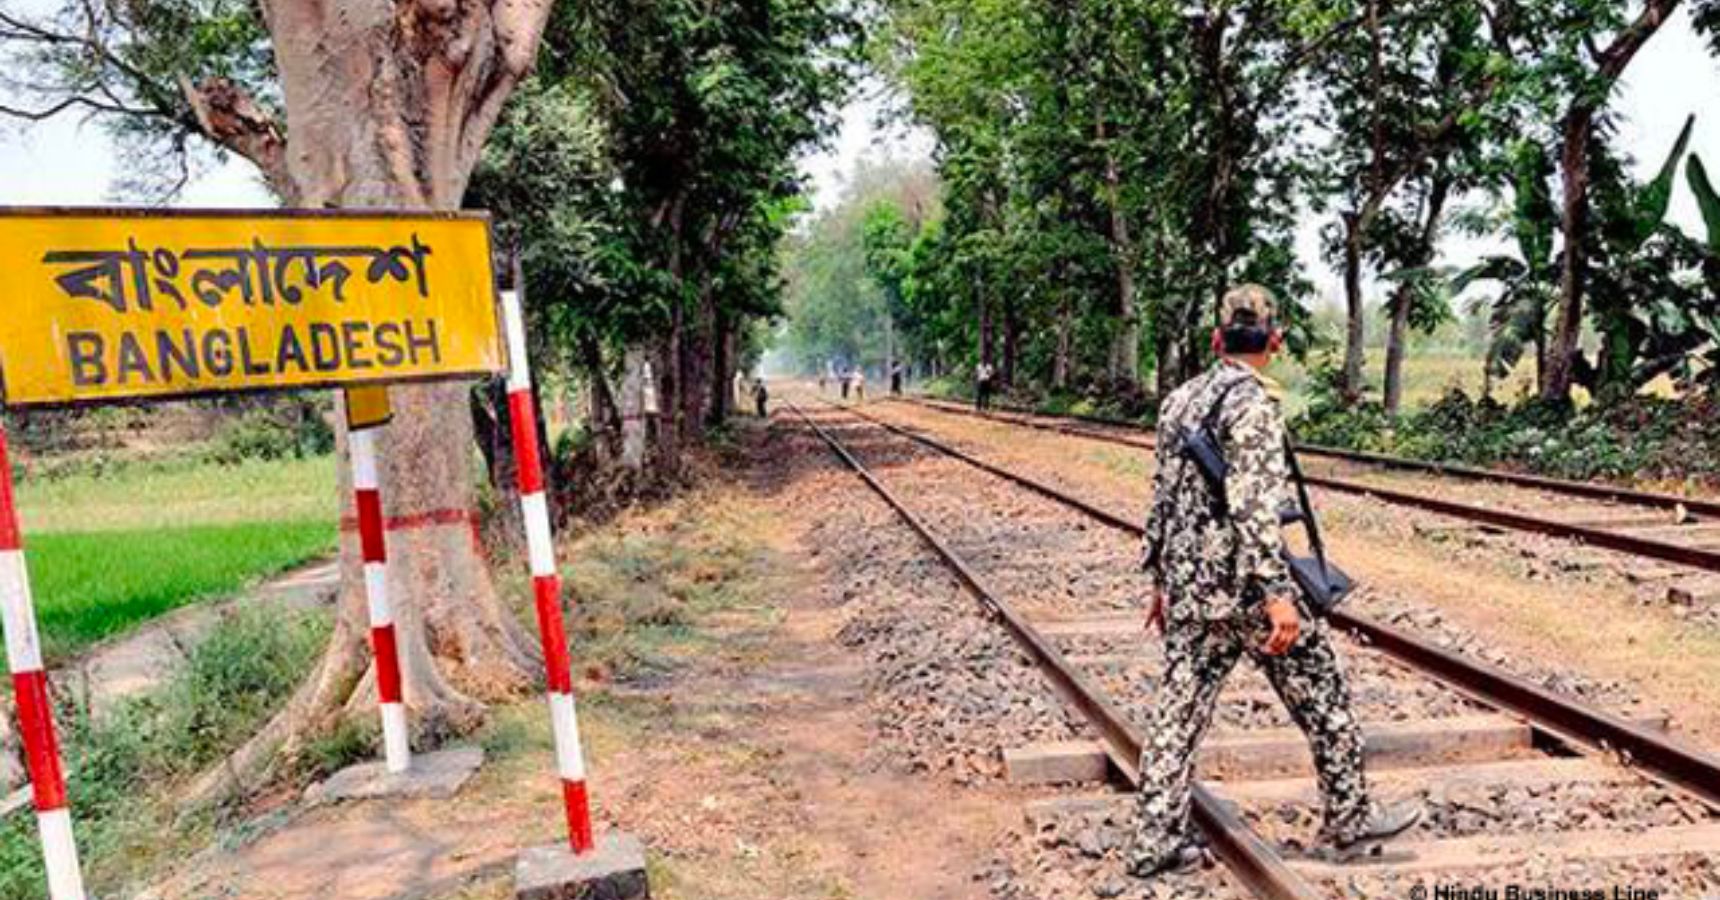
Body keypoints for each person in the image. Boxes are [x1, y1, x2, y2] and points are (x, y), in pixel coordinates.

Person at [1127, 284, 1421, 877]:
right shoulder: (1254, 406)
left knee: (1178, 712)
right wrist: (1278, 595)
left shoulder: (1179, 400)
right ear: (1275, 342)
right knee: (1323, 691)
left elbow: (1162, 499)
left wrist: (1160, 580)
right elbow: (1254, 508)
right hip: (1246, 590)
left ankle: (1153, 840)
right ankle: (1349, 817)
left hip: (1191, 587)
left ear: (1216, 340)